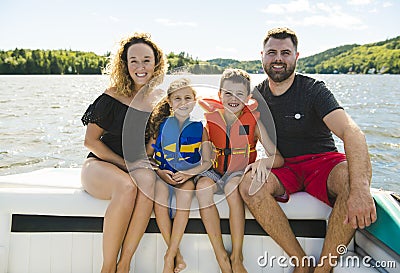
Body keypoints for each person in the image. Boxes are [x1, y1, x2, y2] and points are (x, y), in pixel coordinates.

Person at [239, 27, 377, 273]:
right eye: (272, 52)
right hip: (284, 166)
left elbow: (352, 132)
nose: (278, 58)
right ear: (262, 56)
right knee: (250, 185)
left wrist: (360, 190)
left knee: (349, 178)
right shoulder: (256, 96)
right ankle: (301, 263)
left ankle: (323, 269)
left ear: (296, 56)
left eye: (285, 52)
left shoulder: (313, 90)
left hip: (322, 163)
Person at [80, 32, 167, 273]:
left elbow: (156, 143)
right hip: (100, 164)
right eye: (134, 60)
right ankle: (107, 268)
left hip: (135, 166)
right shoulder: (111, 96)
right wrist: (126, 164)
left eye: (147, 60)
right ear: (125, 64)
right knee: (127, 186)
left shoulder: (161, 101)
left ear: (156, 63)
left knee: (148, 184)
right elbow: (91, 142)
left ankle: (124, 264)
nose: (140, 67)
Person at [196, 69, 284, 273]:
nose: (233, 98)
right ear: (219, 95)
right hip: (215, 172)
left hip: (238, 172)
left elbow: (277, 157)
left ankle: (237, 255)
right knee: (202, 189)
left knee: (231, 188)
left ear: (248, 97)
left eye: (239, 94)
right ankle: (220, 255)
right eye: (228, 93)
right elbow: (204, 156)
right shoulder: (209, 121)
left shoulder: (255, 123)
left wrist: (263, 162)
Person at [146, 78, 212, 273]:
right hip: (163, 175)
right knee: (159, 200)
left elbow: (207, 162)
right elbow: (147, 156)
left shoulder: (201, 128)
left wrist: (188, 174)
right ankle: (178, 256)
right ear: (169, 101)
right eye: (177, 99)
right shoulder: (161, 127)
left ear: (194, 101)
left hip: (186, 177)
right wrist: (159, 171)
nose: (183, 103)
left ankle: (169, 256)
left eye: (187, 98)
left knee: (185, 196)